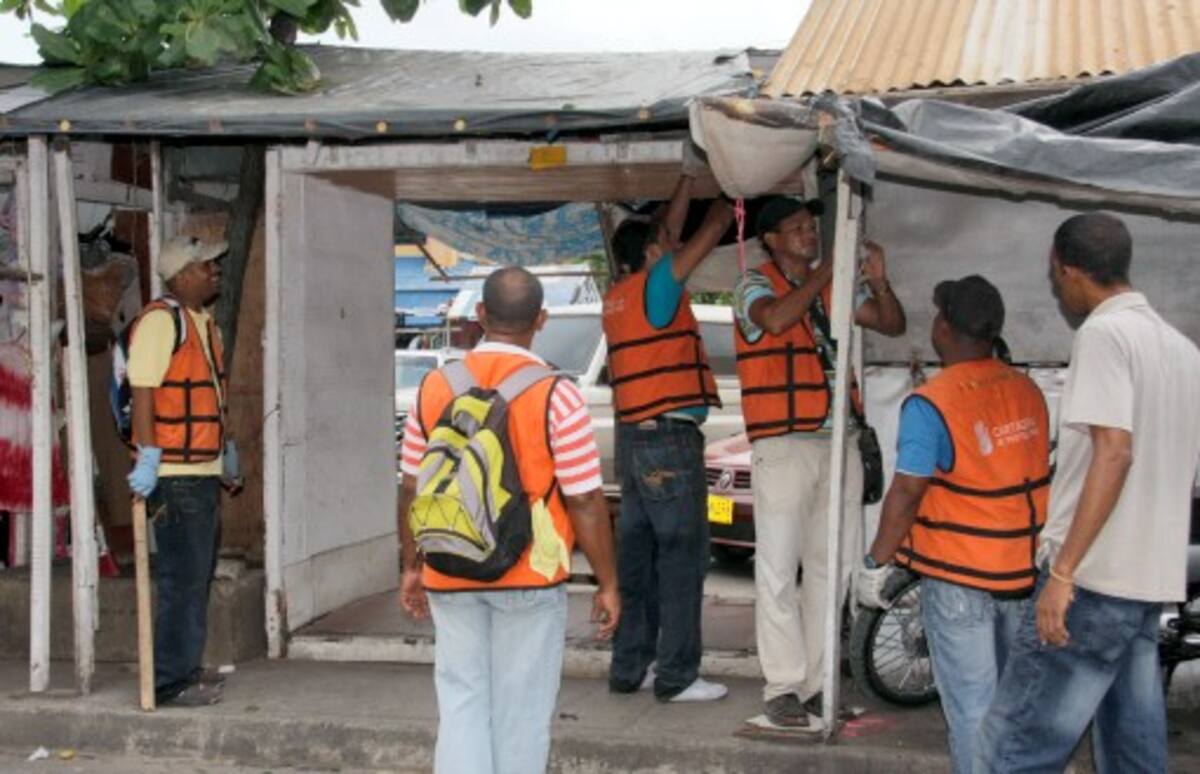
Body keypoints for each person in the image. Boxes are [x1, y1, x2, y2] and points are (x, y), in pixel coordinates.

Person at [977, 213, 1200, 773]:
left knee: (1013, 748)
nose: (1056, 287)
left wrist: (1063, 573)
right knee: (1132, 751)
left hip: (1092, 584)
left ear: (1068, 268)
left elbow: (1114, 450)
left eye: (1055, 276)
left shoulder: (1103, 334)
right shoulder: (1181, 350)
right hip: (1144, 584)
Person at [398, 266, 620, 774]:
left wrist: (412, 566)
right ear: (541, 320)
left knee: (461, 703)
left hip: (449, 565)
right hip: (529, 572)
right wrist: (608, 583)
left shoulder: (435, 387)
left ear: (479, 316)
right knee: (521, 712)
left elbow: (412, 486)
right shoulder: (557, 395)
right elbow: (584, 498)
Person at [856, 275, 1050, 773]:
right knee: (1009, 705)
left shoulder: (934, 401)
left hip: (959, 575)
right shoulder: (1025, 389)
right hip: (1019, 573)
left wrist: (877, 562)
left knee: (971, 709)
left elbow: (907, 491)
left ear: (943, 326)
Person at [734, 196, 905, 730]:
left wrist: (877, 281)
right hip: (782, 444)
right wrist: (832, 267)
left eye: (812, 227)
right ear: (771, 240)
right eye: (798, 229)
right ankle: (783, 685)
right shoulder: (752, 284)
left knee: (833, 569)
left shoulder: (834, 285)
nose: (810, 234)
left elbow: (892, 324)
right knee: (779, 570)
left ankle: (819, 685)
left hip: (838, 443)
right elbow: (778, 320)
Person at [602, 162, 734, 702]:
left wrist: (685, 181)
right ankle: (677, 676)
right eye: (663, 245)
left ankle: (630, 667)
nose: (670, 247)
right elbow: (707, 233)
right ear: (654, 256)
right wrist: (730, 187)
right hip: (669, 443)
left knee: (638, 561)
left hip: (634, 439)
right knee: (682, 559)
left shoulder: (620, 294)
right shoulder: (658, 284)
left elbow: (670, 235)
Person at [125, 235, 242, 707]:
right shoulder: (160, 323)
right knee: (181, 579)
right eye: (205, 265)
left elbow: (212, 395)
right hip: (173, 473)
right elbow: (144, 394)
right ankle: (170, 681)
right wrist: (148, 454)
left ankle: (185, 667)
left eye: (215, 264)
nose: (214, 270)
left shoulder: (200, 323)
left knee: (196, 575)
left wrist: (225, 454)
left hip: (200, 467)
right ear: (180, 276)